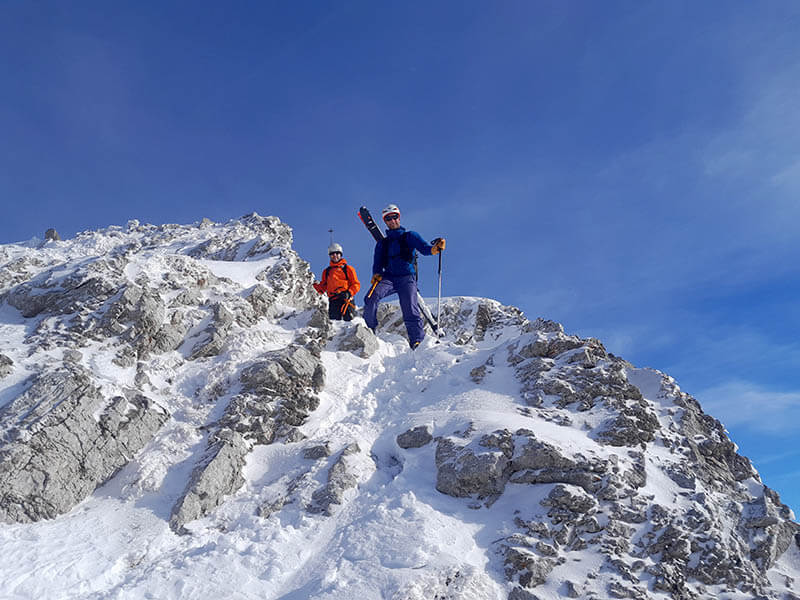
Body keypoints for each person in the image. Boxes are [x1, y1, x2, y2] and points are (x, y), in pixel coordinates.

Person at [363, 204, 445, 349]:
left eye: (394, 217)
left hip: (407, 278)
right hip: (389, 277)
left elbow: (425, 248)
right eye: (388, 218)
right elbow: (377, 262)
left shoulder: (410, 236)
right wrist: (376, 274)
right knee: (371, 297)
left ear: (399, 217)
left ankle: (417, 341)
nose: (392, 220)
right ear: (385, 221)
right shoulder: (383, 243)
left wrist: (435, 249)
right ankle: (370, 330)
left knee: (410, 308)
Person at [313, 243, 361, 321]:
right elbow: (323, 287)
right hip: (333, 301)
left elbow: (356, 284)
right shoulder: (327, 271)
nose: (335, 255)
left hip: (346, 300)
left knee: (349, 323)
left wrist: (348, 293)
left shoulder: (348, 269)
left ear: (341, 254)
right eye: (332, 254)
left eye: (337, 253)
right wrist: (313, 285)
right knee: (335, 324)